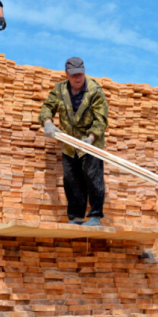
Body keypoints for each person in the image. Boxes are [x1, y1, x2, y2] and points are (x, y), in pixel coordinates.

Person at [40, 57, 108, 226]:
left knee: (93, 178)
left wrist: (91, 138)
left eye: (81, 74)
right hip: (69, 144)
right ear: (67, 74)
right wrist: (47, 122)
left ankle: (94, 217)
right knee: (71, 181)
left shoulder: (94, 90)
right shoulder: (60, 89)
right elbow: (47, 107)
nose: (78, 78)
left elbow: (101, 119)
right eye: (74, 75)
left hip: (90, 143)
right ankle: (76, 217)